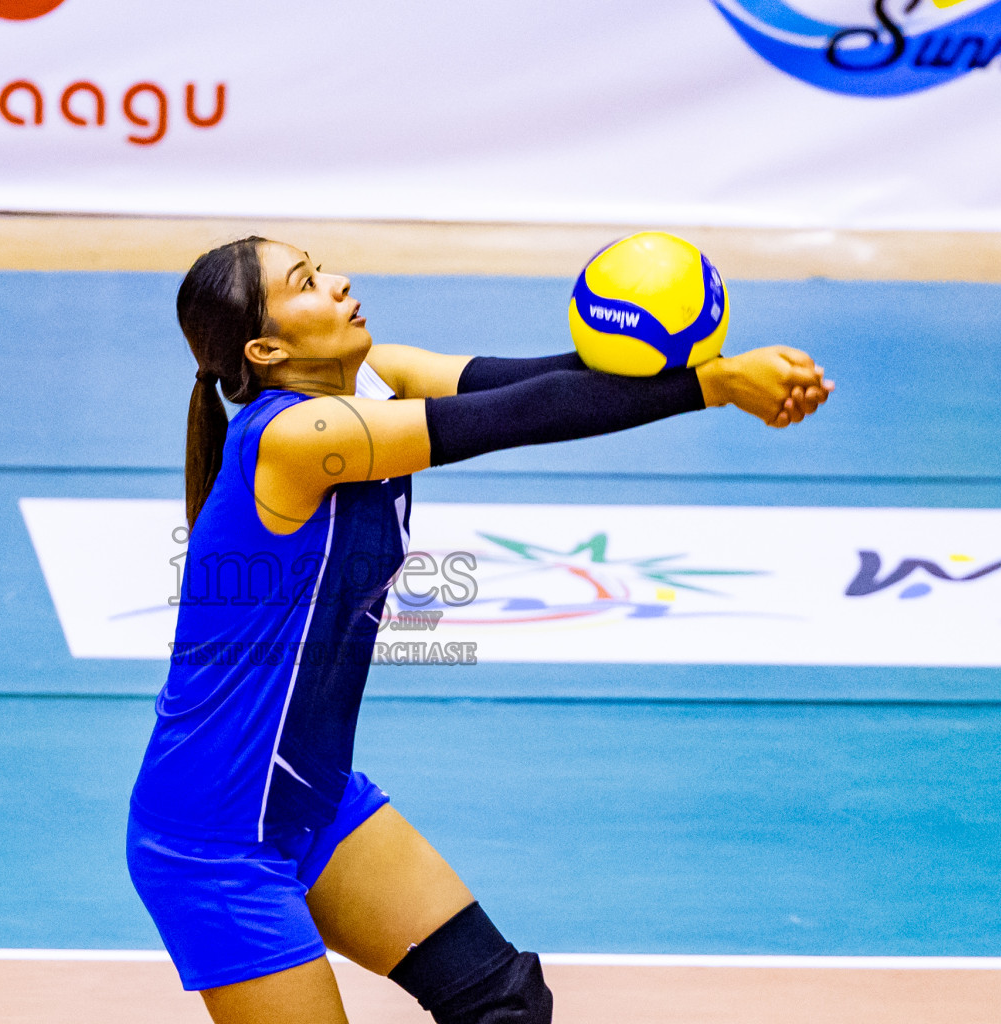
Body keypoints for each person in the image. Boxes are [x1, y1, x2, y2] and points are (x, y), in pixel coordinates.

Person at [127, 236, 832, 1024]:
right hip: (215, 837)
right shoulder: (297, 439)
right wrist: (714, 386)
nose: (339, 281)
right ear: (266, 347)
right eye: (307, 284)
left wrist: (662, 349)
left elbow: (535, 378)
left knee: (506, 1004)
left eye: (321, 267)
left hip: (311, 802)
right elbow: (517, 416)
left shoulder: (376, 377)